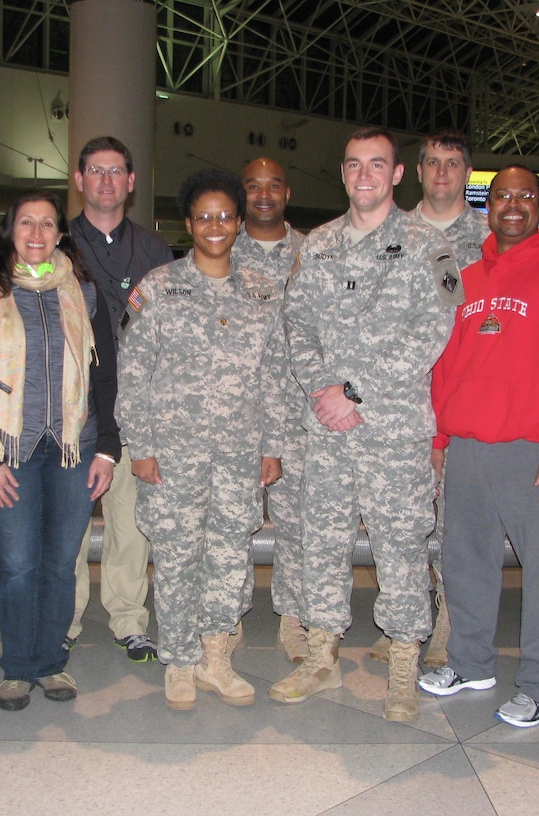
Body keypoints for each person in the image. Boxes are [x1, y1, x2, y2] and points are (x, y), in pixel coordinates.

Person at [269, 127, 462, 722]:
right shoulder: (319, 244)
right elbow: (296, 325)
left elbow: (431, 332)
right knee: (322, 541)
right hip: (326, 429)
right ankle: (322, 657)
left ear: (397, 174)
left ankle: (405, 664)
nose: (364, 175)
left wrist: (353, 392)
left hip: (393, 429)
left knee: (401, 544)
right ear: (344, 171)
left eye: (377, 165)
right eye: (354, 165)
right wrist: (323, 392)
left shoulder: (429, 246)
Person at [418, 166, 539, 727]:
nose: (514, 204)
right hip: (470, 447)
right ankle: (471, 662)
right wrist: (440, 436)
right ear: (489, 205)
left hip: (534, 453)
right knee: (465, 562)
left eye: (526, 195)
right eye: (503, 196)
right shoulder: (466, 277)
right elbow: (445, 364)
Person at [118, 168, 289, 711]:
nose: (215, 226)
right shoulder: (160, 288)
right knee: (175, 555)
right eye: (204, 217)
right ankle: (179, 661)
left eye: (225, 216)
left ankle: (217, 655)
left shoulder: (263, 293)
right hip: (173, 455)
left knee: (227, 556)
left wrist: (273, 445)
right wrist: (140, 446)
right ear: (188, 223)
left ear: (239, 222)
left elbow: (274, 374)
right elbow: (133, 373)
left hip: (239, 455)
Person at [0, 190, 120, 712]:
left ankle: (51, 664)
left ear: (59, 234)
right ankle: (18, 668)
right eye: (27, 222)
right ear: (10, 230)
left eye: (48, 224)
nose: (38, 233)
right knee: (20, 563)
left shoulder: (83, 289)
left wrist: (108, 449)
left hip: (74, 448)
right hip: (10, 451)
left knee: (61, 563)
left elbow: (105, 374)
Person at [371, 128, 489, 668]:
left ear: (468, 172)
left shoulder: (490, 238)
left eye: (454, 163)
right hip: (397, 401)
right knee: (397, 516)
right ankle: (403, 618)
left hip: (463, 396)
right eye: (433, 163)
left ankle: (444, 624)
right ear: (417, 172)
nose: (442, 172)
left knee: (450, 522)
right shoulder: (388, 231)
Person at [67, 136, 173, 662]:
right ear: (80, 179)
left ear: (131, 183)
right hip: (68, 411)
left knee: (130, 521)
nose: (106, 180)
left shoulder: (156, 251)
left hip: (134, 408)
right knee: (67, 519)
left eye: (116, 171)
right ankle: (62, 618)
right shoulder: (56, 245)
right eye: (95, 170)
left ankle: (128, 618)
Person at [230, 157, 308, 662]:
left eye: (273, 185)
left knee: (298, 522)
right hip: (236, 409)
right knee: (232, 520)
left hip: (299, 412)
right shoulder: (217, 249)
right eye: (253, 186)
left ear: (287, 191)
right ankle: (227, 616)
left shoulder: (314, 252)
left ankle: (295, 619)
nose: (263, 194)